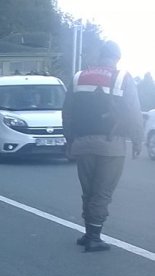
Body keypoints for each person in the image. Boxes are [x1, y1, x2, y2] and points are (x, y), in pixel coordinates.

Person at [62, 41, 143, 252]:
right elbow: (134, 112)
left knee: (88, 190)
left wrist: (69, 139)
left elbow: (67, 111)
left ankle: (88, 232)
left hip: (82, 143)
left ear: (100, 56)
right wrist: (137, 140)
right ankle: (94, 238)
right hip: (111, 145)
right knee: (102, 192)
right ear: (117, 58)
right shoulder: (122, 78)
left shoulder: (79, 77)